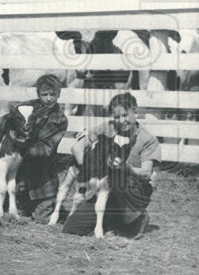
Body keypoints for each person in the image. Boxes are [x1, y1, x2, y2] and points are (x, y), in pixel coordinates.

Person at [63, 93, 158, 238]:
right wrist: (87, 166)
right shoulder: (107, 128)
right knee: (72, 226)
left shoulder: (147, 139)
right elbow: (77, 147)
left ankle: (138, 217)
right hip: (108, 188)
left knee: (118, 175)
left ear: (135, 112)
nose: (121, 121)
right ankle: (115, 219)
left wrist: (126, 168)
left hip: (133, 190)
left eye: (125, 115)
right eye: (116, 117)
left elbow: (146, 173)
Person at [0, 74, 68, 223]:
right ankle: (22, 200)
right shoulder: (27, 107)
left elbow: (46, 149)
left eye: (52, 94)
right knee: (18, 211)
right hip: (22, 174)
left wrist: (21, 144)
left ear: (59, 94)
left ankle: (52, 205)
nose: (49, 98)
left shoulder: (59, 119)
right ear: (38, 94)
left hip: (42, 176)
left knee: (41, 219)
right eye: (44, 94)